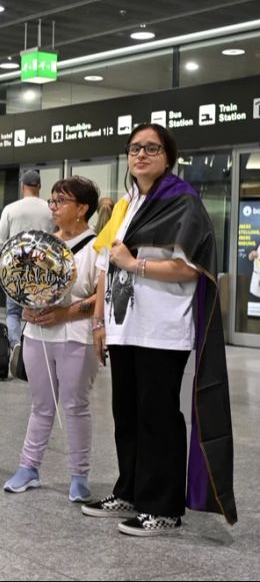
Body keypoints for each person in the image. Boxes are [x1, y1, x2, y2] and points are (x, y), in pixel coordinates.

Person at [85, 123, 237, 535]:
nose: (141, 155)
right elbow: (104, 263)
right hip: (124, 326)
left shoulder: (182, 202)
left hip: (161, 330)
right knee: (127, 415)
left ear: (168, 157)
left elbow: (190, 267)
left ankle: (164, 507)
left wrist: (136, 265)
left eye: (151, 148)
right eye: (134, 148)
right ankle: (130, 490)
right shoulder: (127, 204)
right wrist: (99, 322)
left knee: (158, 417)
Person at [2, 176, 99, 503]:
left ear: (83, 208)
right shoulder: (40, 243)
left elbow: (103, 295)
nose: (53, 207)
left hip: (77, 336)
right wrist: (27, 307)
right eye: (52, 201)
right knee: (41, 405)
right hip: (37, 334)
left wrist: (66, 313)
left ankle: (79, 476)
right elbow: (23, 283)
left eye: (62, 201)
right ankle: (28, 467)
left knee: (74, 406)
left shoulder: (98, 246)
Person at [0, 170, 54, 354]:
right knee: (39, 310)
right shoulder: (50, 209)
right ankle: (36, 349)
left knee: (13, 312)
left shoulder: (11, 209)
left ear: (22, 186)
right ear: (39, 187)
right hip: (42, 268)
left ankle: (16, 345)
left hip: (15, 268)